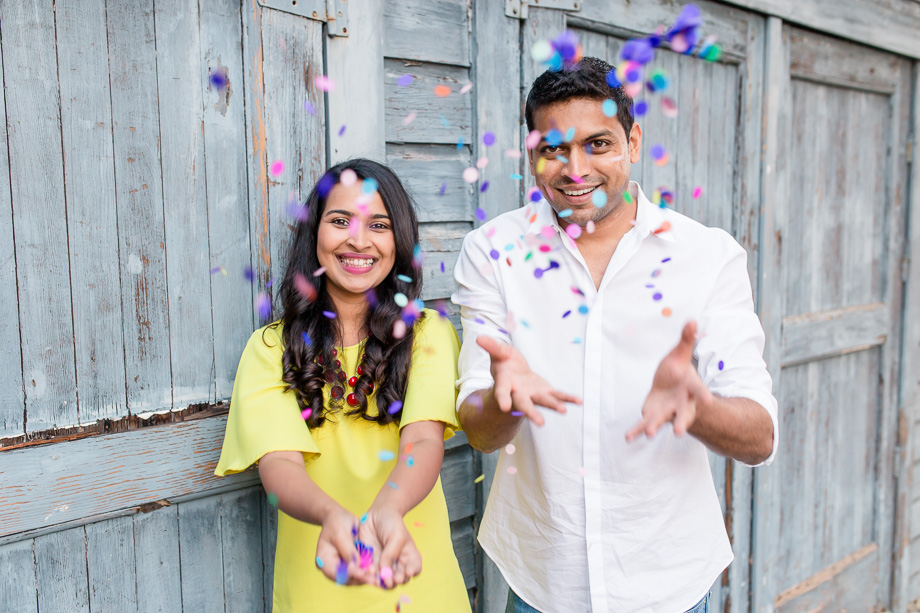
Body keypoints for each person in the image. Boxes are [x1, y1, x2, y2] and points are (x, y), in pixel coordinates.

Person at [453, 57, 778, 612]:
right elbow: (480, 432)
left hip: (668, 579)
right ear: (532, 154)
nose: (574, 168)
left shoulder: (707, 256)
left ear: (633, 140)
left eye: (597, 144)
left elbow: (759, 438)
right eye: (553, 149)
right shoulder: (492, 252)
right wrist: (507, 402)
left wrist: (697, 407)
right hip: (543, 580)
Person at [216, 158, 471, 613]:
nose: (358, 240)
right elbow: (280, 467)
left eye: (379, 224)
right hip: (317, 590)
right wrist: (333, 516)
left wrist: (387, 511)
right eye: (340, 221)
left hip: (420, 588)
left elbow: (422, 439)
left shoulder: (427, 333)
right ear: (314, 234)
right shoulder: (270, 348)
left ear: (399, 241)